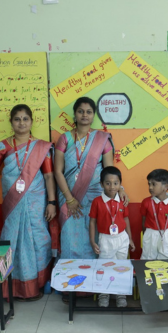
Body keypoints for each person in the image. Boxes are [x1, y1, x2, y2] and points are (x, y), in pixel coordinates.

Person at [0, 104, 56, 301]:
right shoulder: (2, 146)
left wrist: (52, 202)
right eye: (17, 119)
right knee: (11, 240)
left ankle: (38, 283)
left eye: (25, 119)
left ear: (31, 121)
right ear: (11, 122)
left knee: (39, 240)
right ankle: (12, 287)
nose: (21, 123)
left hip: (36, 202)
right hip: (13, 203)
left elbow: (48, 176)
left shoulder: (42, 147)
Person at [54, 96, 126, 260]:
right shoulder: (65, 139)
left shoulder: (102, 139)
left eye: (88, 112)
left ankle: (95, 274)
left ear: (94, 115)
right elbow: (58, 171)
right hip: (68, 196)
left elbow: (109, 170)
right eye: (80, 111)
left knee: (95, 237)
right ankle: (70, 274)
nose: (84, 115)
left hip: (96, 196)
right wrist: (69, 199)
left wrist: (120, 189)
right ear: (75, 114)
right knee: (70, 238)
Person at [89, 166, 135, 307]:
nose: (112, 187)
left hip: (122, 238)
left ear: (120, 184)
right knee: (105, 266)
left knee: (121, 266)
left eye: (116, 183)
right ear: (101, 184)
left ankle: (121, 294)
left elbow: (126, 219)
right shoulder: (97, 202)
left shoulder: (123, 200)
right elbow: (92, 222)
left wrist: (130, 238)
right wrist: (92, 241)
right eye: (108, 183)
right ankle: (104, 294)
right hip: (105, 239)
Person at [141, 169, 168, 260]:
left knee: (166, 258)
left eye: (154, 184)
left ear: (165, 187)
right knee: (148, 258)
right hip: (150, 233)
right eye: (149, 184)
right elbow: (143, 220)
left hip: (166, 233)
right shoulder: (146, 202)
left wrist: (166, 231)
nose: (150, 187)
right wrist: (147, 233)